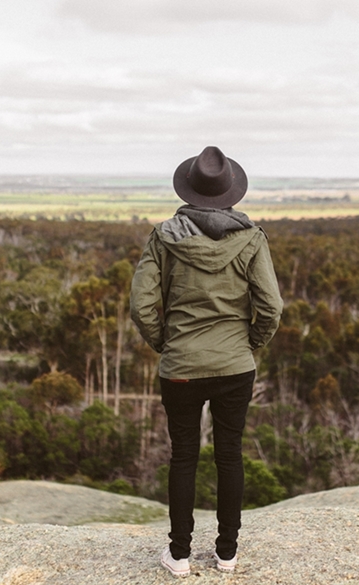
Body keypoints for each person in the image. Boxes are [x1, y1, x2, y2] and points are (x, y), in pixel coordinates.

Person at [130, 146, 283, 576]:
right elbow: (271, 306)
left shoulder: (164, 236)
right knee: (229, 455)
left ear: (189, 189)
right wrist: (249, 344)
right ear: (230, 192)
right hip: (235, 366)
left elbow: (140, 305)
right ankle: (227, 553)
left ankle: (179, 555)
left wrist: (166, 343)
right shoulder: (251, 238)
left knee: (184, 457)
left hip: (181, 367)